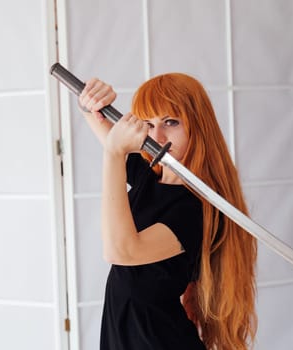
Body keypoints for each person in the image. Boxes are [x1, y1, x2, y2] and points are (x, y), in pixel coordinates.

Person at [78, 72, 257, 350]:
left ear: (197, 126)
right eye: (148, 124)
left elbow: (121, 251)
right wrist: (90, 99)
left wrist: (114, 154)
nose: (157, 136)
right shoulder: (150, 176)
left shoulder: (196, 209)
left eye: (170, 122)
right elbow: (97, 120)